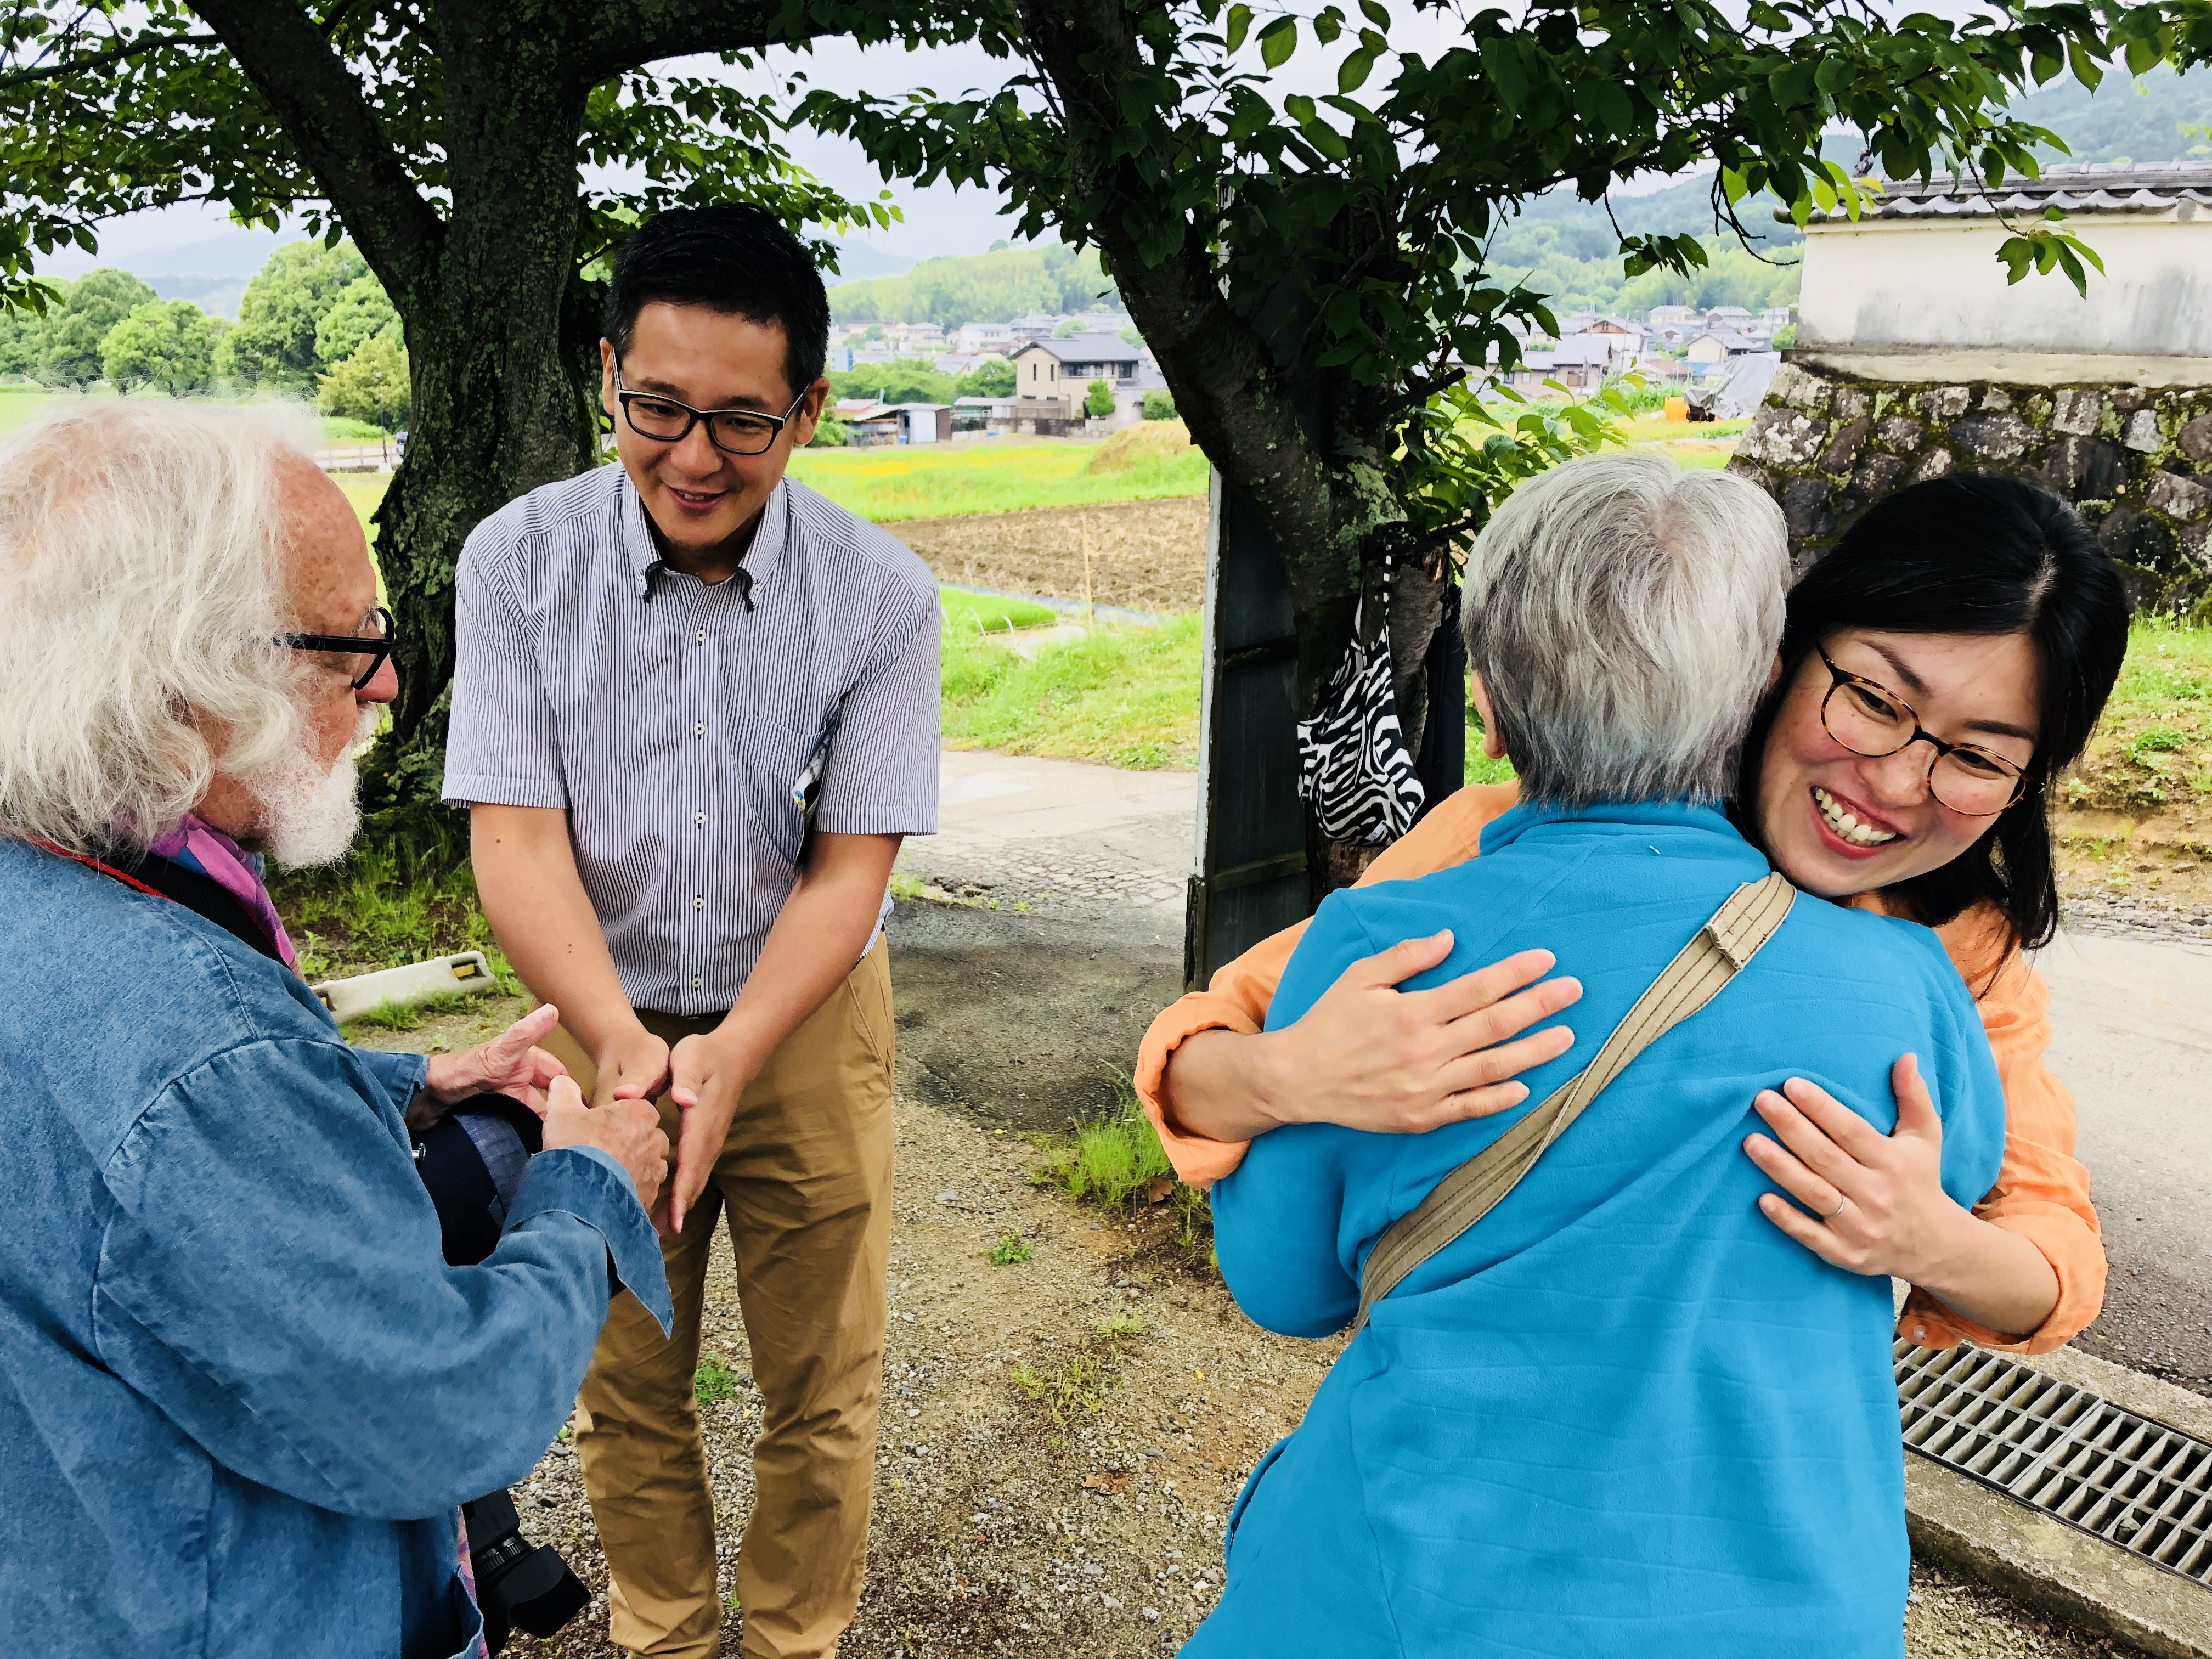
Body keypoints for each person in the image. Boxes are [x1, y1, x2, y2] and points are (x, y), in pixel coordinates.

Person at [1186, 452, 2012, 1656]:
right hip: (1788, 1611)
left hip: (1404, 1598)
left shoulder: (1375, 949)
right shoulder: (1901, 983)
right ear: (1761, 692)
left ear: (1485, 696)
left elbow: (1284, 1288)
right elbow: (1964, 1180)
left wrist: (1276, 1083)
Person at [1141, 470, 2125, 1356]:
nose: (1900, 782)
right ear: (1771, 662)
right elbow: (1202, 1050)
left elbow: (2052, 1246)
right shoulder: (1501, 835)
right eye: (1874, 697)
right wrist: (1285, 1075)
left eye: (1981, 755)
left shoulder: (1959, 953)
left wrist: (1934, 1241)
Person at [0, 401, 673, 1659]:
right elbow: (442, 1411)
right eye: (349, 645)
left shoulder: (46, 883)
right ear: (184, 673)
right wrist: (587, 1192)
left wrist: (389, 1085)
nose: (388, 685)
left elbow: (104, 1157)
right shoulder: (198, 1053)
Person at [445, 205, 939, 1659]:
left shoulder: (883, 596)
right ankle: (664, 1640)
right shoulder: (516, 567)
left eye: (743, 421)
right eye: (657, 408)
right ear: (607, 374)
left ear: (810, 411)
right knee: (626, 1378)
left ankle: (792, 1645)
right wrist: (615, 1046)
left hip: (803, 1013)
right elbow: (517, 838)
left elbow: (852, 870)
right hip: (597, 1008)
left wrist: (732, 1049)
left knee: (824, 1382)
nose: (696, 457)